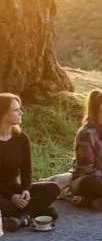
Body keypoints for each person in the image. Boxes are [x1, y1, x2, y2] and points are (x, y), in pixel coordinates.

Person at [0, 94, 60, 232]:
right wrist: (11, 197)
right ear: (3, 114)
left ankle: (22, 217)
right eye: (16, 110)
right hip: (2, 194)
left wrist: (25, 190)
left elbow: (27, 169)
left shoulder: (21, 138)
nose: (21, 112)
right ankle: (34, 211)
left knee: (53, 188)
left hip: (15, 187)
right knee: (7, 205)